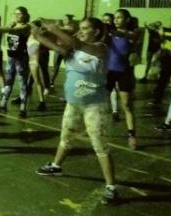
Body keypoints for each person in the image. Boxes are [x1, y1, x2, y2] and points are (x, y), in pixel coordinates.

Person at [33, 17, 118, 205]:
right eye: (80, 28)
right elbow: (47, 41)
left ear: (96, 32)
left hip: (95, 106)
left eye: (85, 28)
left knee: (100, 146)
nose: (81, 31)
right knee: (66, 136)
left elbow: (75, 42)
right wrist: (39, 32)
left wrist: (56, 28)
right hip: (74, 104)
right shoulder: (72, 50)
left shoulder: (100, 48)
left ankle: (111, 187)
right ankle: (56, 166)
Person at [105, 9, 140, 149]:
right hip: (109, 72)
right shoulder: (109, 33)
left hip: (124, 72)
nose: (116, 20)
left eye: (119, 17)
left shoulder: (133, 34)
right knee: (102, 102)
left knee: (126, 105)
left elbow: (126, 35)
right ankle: (99, 129)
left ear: (127, 19)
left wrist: (107, 29)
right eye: (114, 18)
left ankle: (132, 135)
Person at [0, 6, 31, 118]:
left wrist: (1, 29)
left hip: (21, 59)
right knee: (8, 82)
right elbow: (9, 28)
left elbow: (14, 31)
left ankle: (23, 108)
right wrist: (7, 26)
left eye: (19, 14)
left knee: (22, 83)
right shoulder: (12, 24)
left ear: (25, 15)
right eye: (15, 13)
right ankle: (3, 104)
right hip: (11, 58)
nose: (17, 16)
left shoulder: (26, 26)